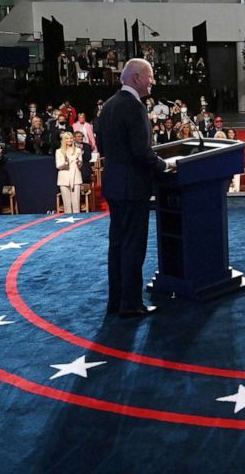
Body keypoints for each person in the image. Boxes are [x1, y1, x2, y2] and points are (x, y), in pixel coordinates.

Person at [95, 58, 176, 318]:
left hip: (115, 187)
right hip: (132, 190)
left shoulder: (108, 105)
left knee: (117, 246)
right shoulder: (134, 107)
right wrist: (165, 166)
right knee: (133, 247)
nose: (153, 81)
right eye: (150, 76)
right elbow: (142, 152)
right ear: (137, 78)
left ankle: (116, 301)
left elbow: (105, 148)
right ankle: (131, 305)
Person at [55, 131, 84, 214]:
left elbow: (80, 165)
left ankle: (77, 223)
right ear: (64, 140)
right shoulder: (59, 151)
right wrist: (65, 163)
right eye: (67, 138)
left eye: (71, 138)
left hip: (75, 178)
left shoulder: (78, 150)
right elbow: (58, 165)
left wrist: (79, 162)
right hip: (64, 178)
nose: (70, 140)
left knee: (76, 204)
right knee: (67, 204)